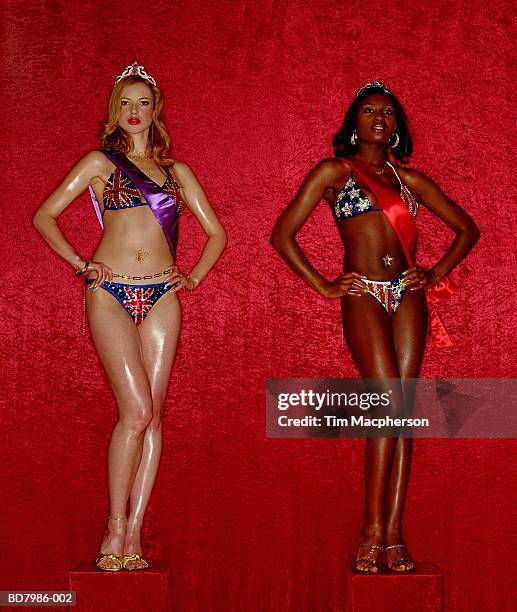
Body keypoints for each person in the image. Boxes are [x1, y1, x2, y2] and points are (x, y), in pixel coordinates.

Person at [270, 81, 479, 573]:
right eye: (369, 111)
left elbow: (468, 229)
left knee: (401, 414)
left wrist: (434, 273)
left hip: (408, 296)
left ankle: (394, 534)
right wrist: (324, 286)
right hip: (363, 294)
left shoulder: (412, 182)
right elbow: (282, 235)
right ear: (353, 123)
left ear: (397, 127)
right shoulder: (334, 172)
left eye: (388, 112)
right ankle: (369, 529)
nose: (379, 118)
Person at [33, 62, 227, 571]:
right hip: (110, 291)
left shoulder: (178, 172)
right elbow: (44, 215)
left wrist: (194, 277)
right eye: (125, 102)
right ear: (114, 111)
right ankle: (113, 524)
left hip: (163, 295)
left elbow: (218, 234)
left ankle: (136, 531)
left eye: (142, 102)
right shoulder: (99, 163)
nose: (134, 111)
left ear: (155, 110)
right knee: (136, 411)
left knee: (154, 417)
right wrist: (80, 263)